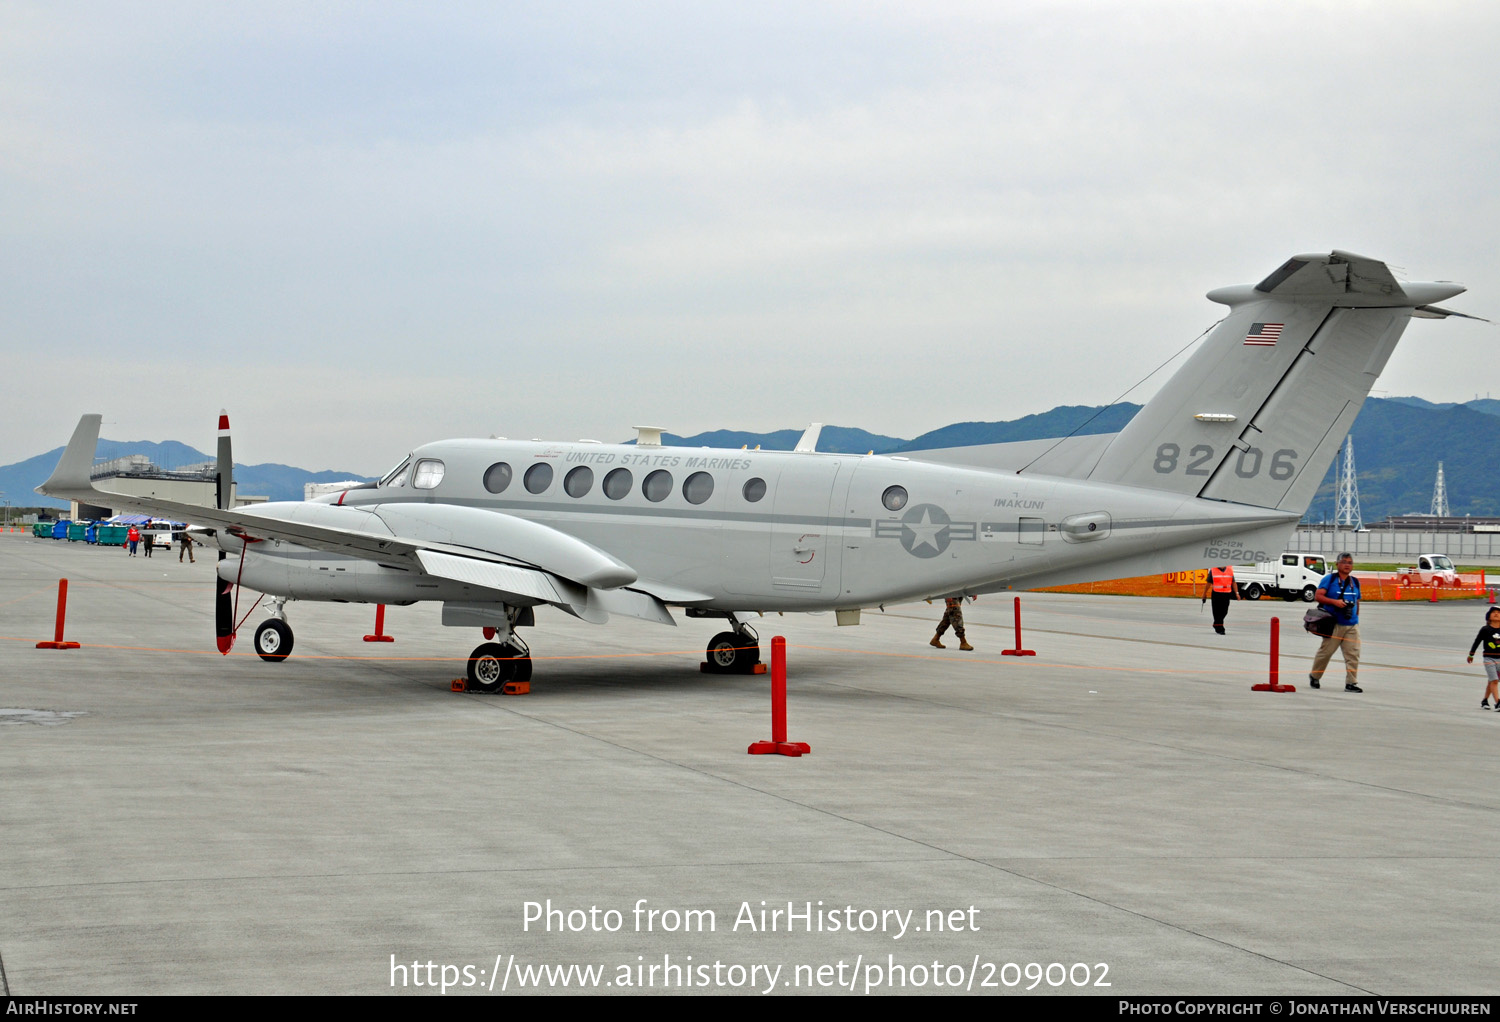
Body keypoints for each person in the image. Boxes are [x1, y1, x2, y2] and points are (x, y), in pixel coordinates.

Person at [1310, 552, 1362, 693]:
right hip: (1333, 624)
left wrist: (1355, 616)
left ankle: (1351, 683)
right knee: (1326, 653)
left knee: (1353, 655)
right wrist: (1335, 602)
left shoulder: (1355, 582)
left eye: (1350, 562)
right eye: (1344, 562)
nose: (1347, 565)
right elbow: (1318, 596)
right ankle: (1315, 676)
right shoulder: (1330, 579)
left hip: (1351, 625)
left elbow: (1357, 601)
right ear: (1337, 564)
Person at [1467, 606, 1500, 709]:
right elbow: (1477, 641)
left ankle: (1485, 700)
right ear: (1488, 616)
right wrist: (1471, 654)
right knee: (1494, 680)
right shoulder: (1485, 629)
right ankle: (1498, 702)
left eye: (1498, 612)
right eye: (1493, 612)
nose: (1496, 614)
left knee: (1491, 680)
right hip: (1489, 659)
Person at [1202, 564, 1241, 635]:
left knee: (1224, 611)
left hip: (1226, 593)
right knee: (1216, 612)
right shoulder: (1213, 570)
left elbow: (1233, 582)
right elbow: (1208, 583)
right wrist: (1204, 594)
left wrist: (1237, 593)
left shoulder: (1229, 569)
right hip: (1216, 593)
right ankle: (1220, 628)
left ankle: (1216, 624)